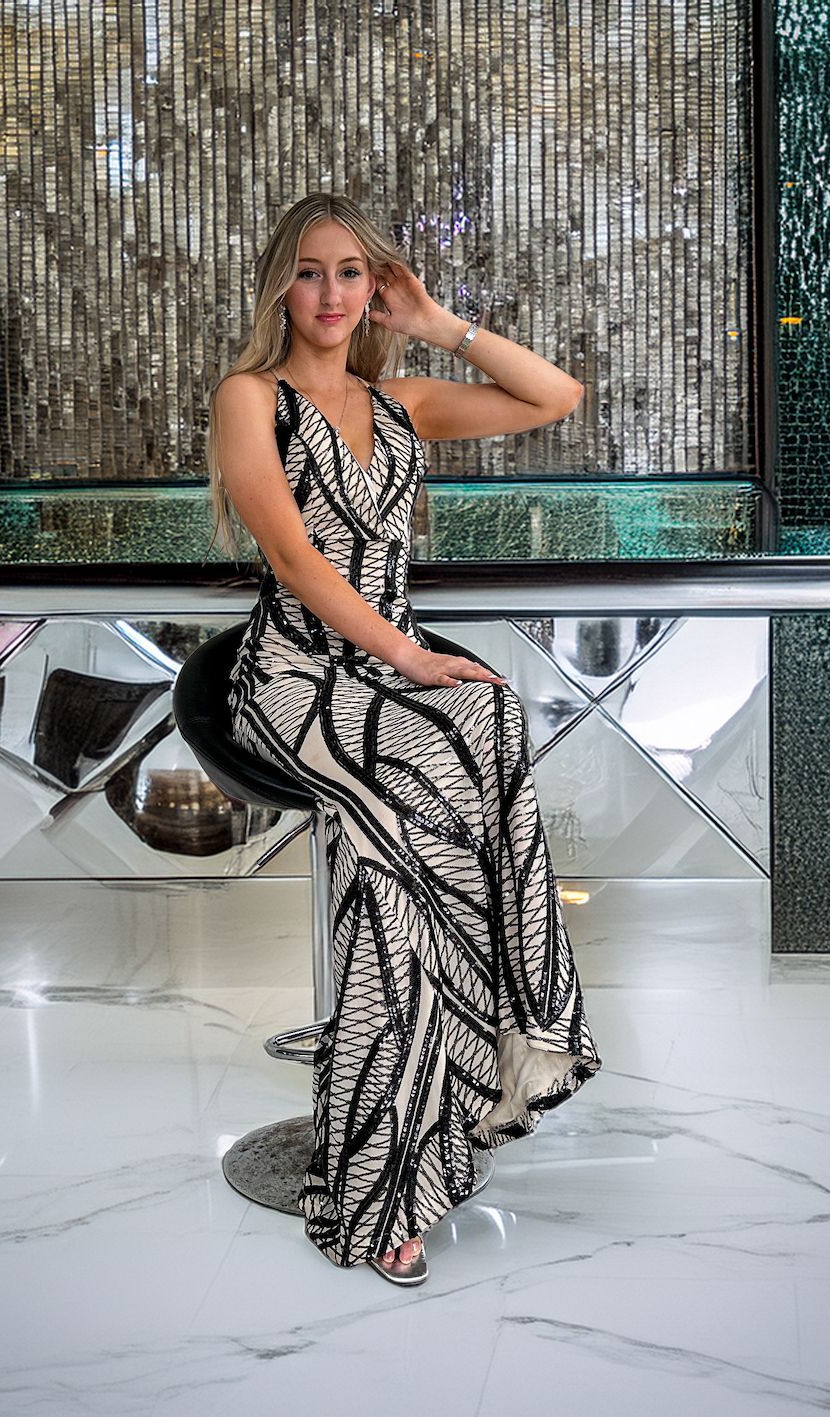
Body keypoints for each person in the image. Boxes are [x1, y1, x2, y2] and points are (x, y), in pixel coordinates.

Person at [205, 192, 602, 1286]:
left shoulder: (400, 403)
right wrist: (414, 657)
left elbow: (554, 396)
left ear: (373, 287)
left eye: (351, 273)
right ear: (279, 285)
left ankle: (496, 1057)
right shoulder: (252, 399)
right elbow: (296, 564)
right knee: (428, 766)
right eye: (310, 271)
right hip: (292, 679)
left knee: (484, 731)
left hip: (386, 675)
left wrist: (437, 322)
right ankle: (390, 1170)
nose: (331, 294)